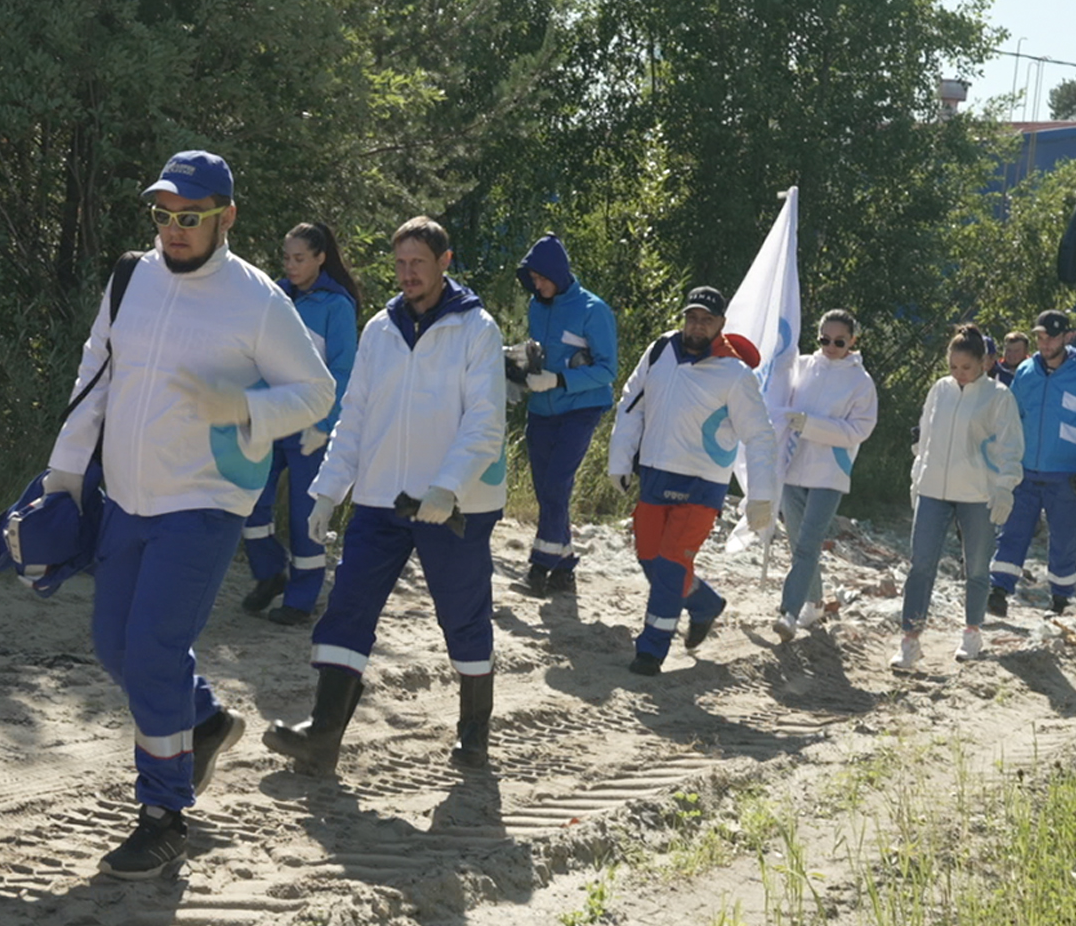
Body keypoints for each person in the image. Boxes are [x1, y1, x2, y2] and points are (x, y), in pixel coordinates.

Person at [46, 150, 336, 878]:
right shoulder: (129, 277)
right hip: (128, 500)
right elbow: (95, 373)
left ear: (226, 217)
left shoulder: (259, 300)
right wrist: (65, 473)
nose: (173, 231)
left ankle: (164, 813)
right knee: (116, 646)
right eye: (164, 216)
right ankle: (203, 720)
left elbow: (317, 392)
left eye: (190, 217)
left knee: (150, 651)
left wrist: (243, 406)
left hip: (205, 503)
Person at [262, 216, 506, 775]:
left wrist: (448, 486)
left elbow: (485, 422)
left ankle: (474, 734)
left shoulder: (476, 329)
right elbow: (356, 418)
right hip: (377, 503)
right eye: (400, 264)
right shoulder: (379, 328)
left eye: (418, 262)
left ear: (445, 262)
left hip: (452, 508)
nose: (408, 274)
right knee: (347, 607)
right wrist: (327, 492)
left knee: (464, 616)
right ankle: (322, 737)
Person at [607, 286, 778, 675]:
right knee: (650, 557)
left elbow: (760, 435)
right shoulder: (660, 350)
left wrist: (760, 496)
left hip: (703, 485)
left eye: (707, 320)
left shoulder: (735, 374)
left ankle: (651, 650)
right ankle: (703, 604)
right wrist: (620, 461)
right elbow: (632, 403)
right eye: (692, 317)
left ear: (721, 325)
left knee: (670, 565)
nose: (698, 326)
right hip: (654, 472)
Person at [240, 223, 360, 624]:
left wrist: (325, 423)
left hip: (311, 425)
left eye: (299, 258)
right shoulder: (274, 296)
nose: (290, 266)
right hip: (269, 418)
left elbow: (343, 371)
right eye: (286, 258)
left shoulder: (336, 306)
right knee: (250, 501)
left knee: (304, 514)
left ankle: (302, 600)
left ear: (320, 258)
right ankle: (271, 572)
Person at [897, 324, 1024, 669]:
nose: (959, 374)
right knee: (921, 564)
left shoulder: (999, 397)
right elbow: (925, 437)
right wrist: (916, 477)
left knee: (978, 566)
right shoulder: (940, 390)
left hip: (977, 493)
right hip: (933, 489)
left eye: (966, 368)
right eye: (953, 367)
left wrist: (1004, 487)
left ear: (984, 363)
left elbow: (1011, 447)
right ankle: (910, 638)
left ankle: (972, 630)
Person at [987, 309, 1076, 617]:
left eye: (1052, 337)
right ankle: (999, 590)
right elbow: (1011, 417)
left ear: (1068, 337)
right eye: (1041, 337)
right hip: (1025, 471)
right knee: (1012, 531)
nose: (1045, 344)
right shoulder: (1027, 372)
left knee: (1063, 537)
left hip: (1067, 475)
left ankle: (1060, 597)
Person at [513, 233, 618, 596]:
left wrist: (559, 379)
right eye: (532, 280)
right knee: (547, 491)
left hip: (581, 409)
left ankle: (540, 568)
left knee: (557, 483)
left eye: (541, 278)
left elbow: (608, 371)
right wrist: (519, 369)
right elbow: (537, 353)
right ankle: (565, 569)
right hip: (540, 410)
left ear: (557, 272)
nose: (536, 285)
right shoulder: (536, 305)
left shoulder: (594, 310)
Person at [772, 308, 878, 640]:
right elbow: (777, 401)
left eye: (839, 341)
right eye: (824, 339)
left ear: (853, 341)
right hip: (792, 469)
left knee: (808, 544)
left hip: (829, 473)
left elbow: (858, 430)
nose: (830, 346)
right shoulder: (801, 366)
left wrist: (811, 426)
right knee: (798, 544)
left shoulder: (860, 382)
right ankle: (815, 603)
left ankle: (788, 612)